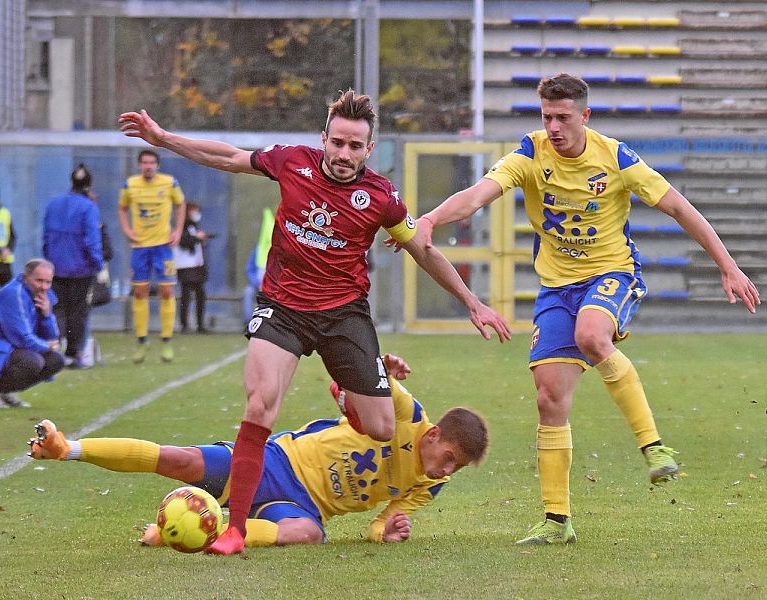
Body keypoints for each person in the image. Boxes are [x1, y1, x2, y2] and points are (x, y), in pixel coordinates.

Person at [119, 89, 512, 555]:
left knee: (382, 427)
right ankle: (235, 531)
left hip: (344, 314)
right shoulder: (291, 162)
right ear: (323, 139)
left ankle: (345, 392)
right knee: (260, 406)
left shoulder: (382, 197)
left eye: (355, 146)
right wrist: (164, 139)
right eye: (337, 143)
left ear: (369, 149)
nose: (344, 154)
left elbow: (422, 251)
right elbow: (229, 157)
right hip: (283, 307)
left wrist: (472, 302)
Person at [414, 73, 761, 545]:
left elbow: (679, 208)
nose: (554, 127)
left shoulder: (615, 157)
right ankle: (557, 521)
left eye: (563, 117)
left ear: (585, 115)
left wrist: (728, 266)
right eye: (547, 117)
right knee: (548, 398)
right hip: (557, 288)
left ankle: (654, 448)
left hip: (611, 274)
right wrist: (432, 218)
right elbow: (477, 195)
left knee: (592, 335)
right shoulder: (530, 153)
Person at [28, 354, 488, 548]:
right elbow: (354, 376)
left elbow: (378, 525)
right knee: (180, 460)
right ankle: (68, 448)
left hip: (304, 506)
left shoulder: (430, 485)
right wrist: (378, 369)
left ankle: (203, 531)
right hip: (277, 461)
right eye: (449, 457)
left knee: (307, 535)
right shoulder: (406, 413)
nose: (446, 470)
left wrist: (386, 532)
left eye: (457, 468)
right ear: (433, 435)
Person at [0, 258, 64, 409]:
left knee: (56, 360)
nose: (44, 287)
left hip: (10, 347)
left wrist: (47, 315)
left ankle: (6, 391)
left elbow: (52, 337)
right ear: (26, 277)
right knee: (33, 361)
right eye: (39, 280)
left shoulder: (43, 296)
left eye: (48, 282)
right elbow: (22, 338)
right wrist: (47, 346)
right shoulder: (14, 294)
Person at [118, 149, 186, 363]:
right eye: (145, 163)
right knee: (140, 292)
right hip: (140, 247)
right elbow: (122, 208)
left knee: (167, 291)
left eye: (151, 162)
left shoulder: (170, 183)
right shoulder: (130, 185)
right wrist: (127, 230)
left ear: (157, 165)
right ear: (139, 165)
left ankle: (166, 340)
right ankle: (142, 340)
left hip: (163, 246)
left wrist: (178, 230)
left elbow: (180, 204)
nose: (148, 166)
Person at [42, 164, 104, 369]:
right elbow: (92, 240)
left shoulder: (54, 203)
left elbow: (46, 236)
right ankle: (73, 352)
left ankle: (55, 346)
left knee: (57, 308)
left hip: (56, 266)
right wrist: (97, 263)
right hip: (81, 269)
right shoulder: (88, 207)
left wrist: (49, 259)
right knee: (77, 312)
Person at [174, 201, 211, 334]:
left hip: (197, 266)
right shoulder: (181, 227)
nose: (196, 214)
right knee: (186, 295)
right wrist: (196, 238)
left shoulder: (193, 227)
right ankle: (184, 324)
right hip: (186, 267)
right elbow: (184, 241)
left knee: (200, 295)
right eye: (194, 211)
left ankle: (200, 324)